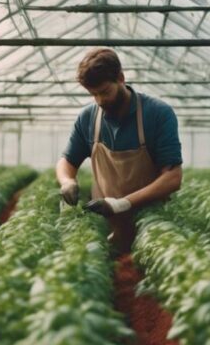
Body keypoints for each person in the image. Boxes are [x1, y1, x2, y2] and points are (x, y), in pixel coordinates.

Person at [56, 48, 183, 252]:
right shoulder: (88, 117)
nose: (99, 100)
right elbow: (67, 161)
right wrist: (67, 181)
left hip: (151, 223)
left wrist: (122, 203)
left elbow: (173, 177)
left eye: (105, 92)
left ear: (121, 78)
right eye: (93, 94)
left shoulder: (158, 113)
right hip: (107, 220)